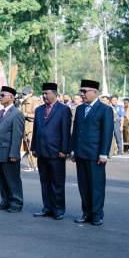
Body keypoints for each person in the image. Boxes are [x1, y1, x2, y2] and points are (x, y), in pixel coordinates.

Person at [70, 79, 114, 226]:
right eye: (81, 91)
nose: (81, 94)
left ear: (94, 92)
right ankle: (86, 213)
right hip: (81, 153)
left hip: (95, 154)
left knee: (96, 186)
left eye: (84, 91)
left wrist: (104, 153)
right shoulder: (80, 108)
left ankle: (97, 214)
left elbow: (107, 133)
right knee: (83, 185)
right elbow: (76, 131)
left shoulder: (105, 109)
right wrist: (73, 149)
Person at [30, 83, 72, 221]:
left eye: (47, 93)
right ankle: (47, 208)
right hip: (42, 151)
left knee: (57, 182)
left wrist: (64, 150)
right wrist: (34, 147)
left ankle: (58, 209)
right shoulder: (39, 110)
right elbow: (36, 130)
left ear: (55, 94)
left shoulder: (63, 109)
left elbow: (65, 131)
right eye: (43, 93)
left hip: (56, 151)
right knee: (45, 181)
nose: (44, 96)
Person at [0, 86, 26, 213]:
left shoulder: (17, 114)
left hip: (9, 152)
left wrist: (14, 153)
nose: (0, 97)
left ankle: (16, 202)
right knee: (1, 178)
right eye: (0, 95)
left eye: (3, 95)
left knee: (12, 179)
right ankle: (5, 200)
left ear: (11, 97)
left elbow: (17, 136)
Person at [19, 87, 38, 172]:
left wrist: (26, 114)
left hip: (32, 127)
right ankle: (31, 164)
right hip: (25, 128)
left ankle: (33, 165)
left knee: (32, 147)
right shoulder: (22, 104)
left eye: (25, 94)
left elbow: (37, 115)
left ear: (30, 94)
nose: (23, 96)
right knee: (28, 147)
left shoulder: (34, 103)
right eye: (23, 94)